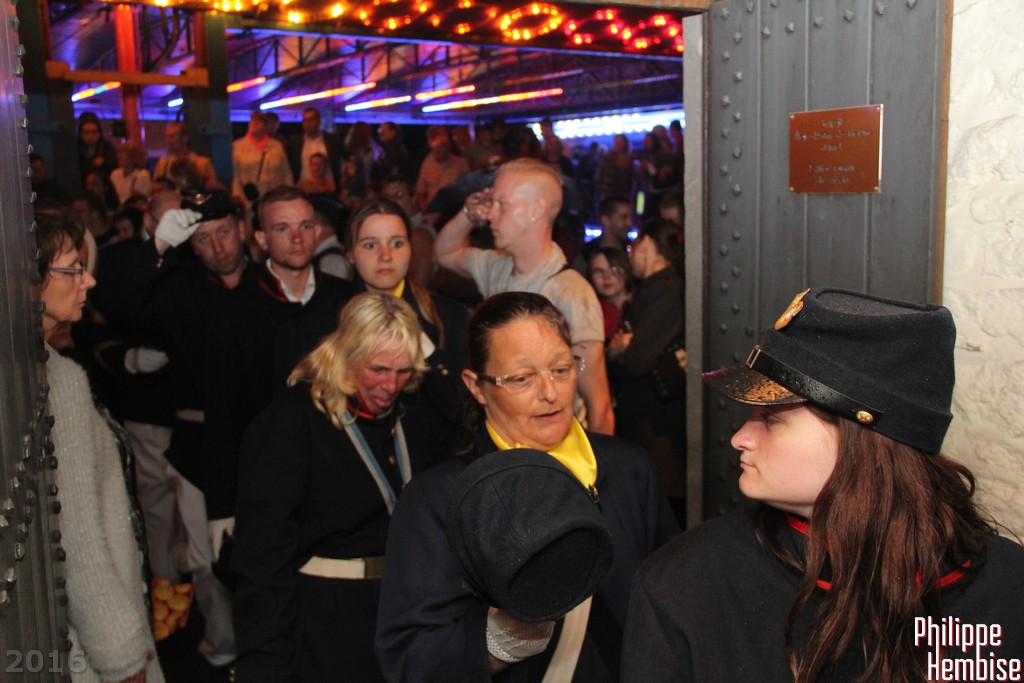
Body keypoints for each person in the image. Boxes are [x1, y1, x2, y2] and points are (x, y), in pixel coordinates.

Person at [621, 287, 1024, 682]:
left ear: (863, 441)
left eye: (772, 419)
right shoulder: (687, 585)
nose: (740, 438)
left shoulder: (1007, 587)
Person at [376, 291, 679, 682]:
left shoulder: (627, 468)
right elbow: (410, 657)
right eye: (521, 378)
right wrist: (498, 642)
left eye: (562, 369)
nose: (550, 393)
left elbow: (671, 604)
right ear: (477, 386)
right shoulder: (438, 499)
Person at [233, 292, 455, 682]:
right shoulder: (291, 423)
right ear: (345, 356)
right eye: (378, 369)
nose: (391, 385)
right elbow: (262, 561)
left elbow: (468, 420)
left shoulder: (416, 413)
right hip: (326, 625)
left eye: (403, 371)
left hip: (403, 613)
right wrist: (266, 662)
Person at [36, 210, 165, 683]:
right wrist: (123, 658)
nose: (88, 280)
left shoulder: (36, 370)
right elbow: (79, 543)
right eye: (74, 269)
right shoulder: (57, 382)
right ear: (29, 280)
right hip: (86, 651)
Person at [434, 158, 615, 435]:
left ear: (536, 209)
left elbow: (599, 404)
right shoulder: (498, 266)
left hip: (555, 447)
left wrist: (599, 463)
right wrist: (468, 214)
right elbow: (444, 253)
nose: (491, 214)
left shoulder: (571, 292)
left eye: (502, 204)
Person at [607, 218, 686, 518]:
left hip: (655, 422)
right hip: (650, 419)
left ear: (647, 243)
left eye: (632, 247)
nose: (630, 256)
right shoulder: (656, 287)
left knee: (659, 505)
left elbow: (635, 360)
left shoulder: (663, 289)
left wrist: (616, 354)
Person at [231, 111, 293, 216]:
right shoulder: (237, 146)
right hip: (249, 201)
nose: (254, 125)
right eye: (252, 121)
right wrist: (240, 201)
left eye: (259, 122)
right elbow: (235, 177)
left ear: (265, 126)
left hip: (274, 200)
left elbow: (286, 173)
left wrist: (288, 197)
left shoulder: (277, 146)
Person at [414, 126, 470, 213]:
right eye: (436, 146)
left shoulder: (461, 164)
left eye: (443, 146)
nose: (439, 149)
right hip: (433, 211)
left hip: (454, 211)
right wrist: (426, 211)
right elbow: (420, 192)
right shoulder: (427, 164)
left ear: (449, 146)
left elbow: (469, 188)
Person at [286, 107, 346, 186]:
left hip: (328, 187)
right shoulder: (294, 143)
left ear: (319, 121)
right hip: (303, 187)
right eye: (305, 120)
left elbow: (345, 160)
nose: (308, 123)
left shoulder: (332, 141)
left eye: (311, 120)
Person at [153, 122, 218, 189]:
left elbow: (213, 188)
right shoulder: (162, 164)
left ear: (185, 138)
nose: (168, 140)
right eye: (167, 136)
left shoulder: (203, 164)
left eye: (172, 136)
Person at [588, 247, 633, 342]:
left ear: (626, 271)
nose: (606, 277)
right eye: (598, 271)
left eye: (613, 269)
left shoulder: (642, 302)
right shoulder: (591, 311)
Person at [77, 113, 118, 189]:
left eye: (94, 132)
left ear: (99, 133)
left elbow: (114, 165)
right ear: (81, 134)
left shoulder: (107, 149)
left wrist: (104, 163)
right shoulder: (76, 150)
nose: (90, 136)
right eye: (86, 132)